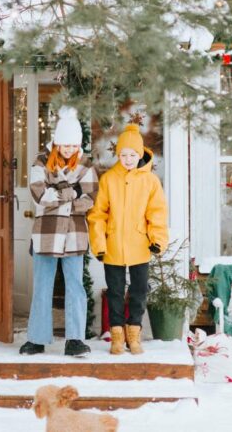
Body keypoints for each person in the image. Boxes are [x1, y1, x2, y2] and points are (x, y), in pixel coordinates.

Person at [19, 106, 98, 357]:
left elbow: (90, 198)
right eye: (65, 145)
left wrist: (64, 196)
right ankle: (37, 338)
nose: (69, 150)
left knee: (75, 285)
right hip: (46, 232)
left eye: (74, 146)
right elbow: (40, 195)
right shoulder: (40, 162)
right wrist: (73, 192)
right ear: (56, 143)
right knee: (42, 284)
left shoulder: (85, 164)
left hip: (74, 233)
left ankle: (75, 339)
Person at [87, 124, 168, 355]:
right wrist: (100, 244)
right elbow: (98, 214)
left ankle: (134, 334)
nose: (128, 159)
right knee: (114, 291)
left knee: (139, 290)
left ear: (140, 154)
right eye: (123, 155)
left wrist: (157, 239)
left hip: (140, 245)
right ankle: (116, 336)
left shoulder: (150, 181)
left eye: (132, 155)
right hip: (113, 246)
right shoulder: (109, 179)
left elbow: (157, 213)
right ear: (118, 155)